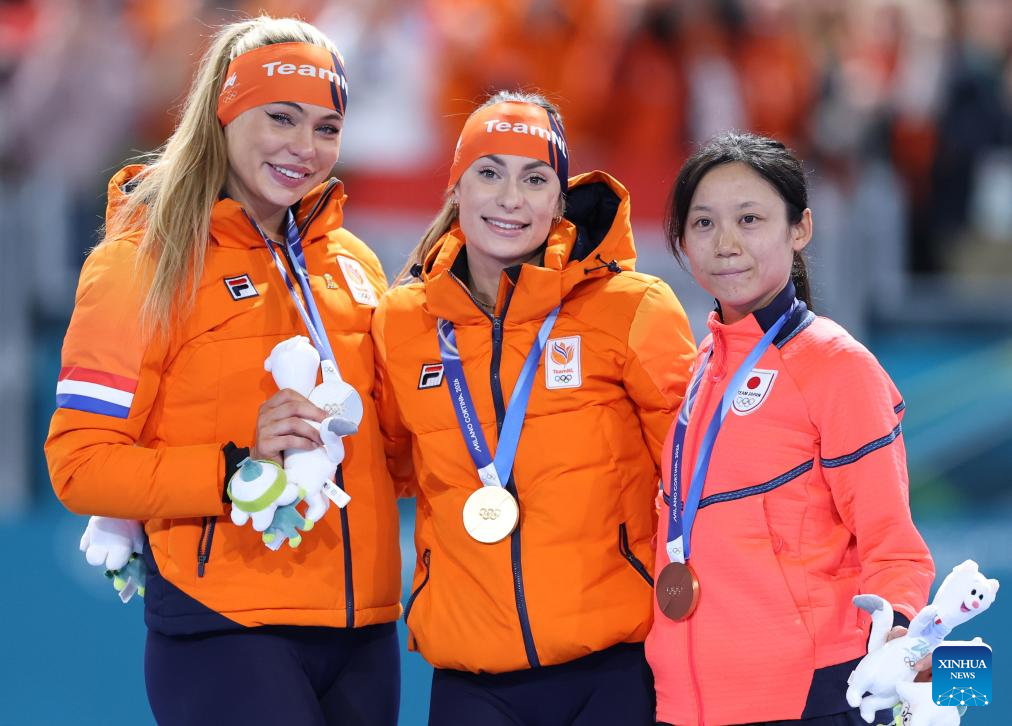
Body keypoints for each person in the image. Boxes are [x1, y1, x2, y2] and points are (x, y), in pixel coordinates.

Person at [44, 16, 401, 725]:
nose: (305, 148)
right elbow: (80, 465)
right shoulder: (142, 262)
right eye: (281, 118)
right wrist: (236, 466)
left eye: (327, 128)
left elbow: (393, 451)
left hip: (364, 629)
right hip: (227, 628)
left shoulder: (353, 265)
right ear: (224, 114)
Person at [373, 91, 697, 726]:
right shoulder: (402, 322)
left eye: (534, 179)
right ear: (456, 187)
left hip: (614, 669)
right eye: (489, 173)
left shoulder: (632, 307)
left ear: (559, 200)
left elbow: (694, 478)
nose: (510, 199)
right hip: (472, 677)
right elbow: (389, 463)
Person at [645, 131, 935, 726]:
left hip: (807, 699)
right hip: (685, 705)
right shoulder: (699, 370)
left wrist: (898, 631)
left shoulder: (836, 366)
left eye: (749, 219)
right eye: (703, 224)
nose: (726, 243)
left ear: (800, 229)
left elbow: (894, 546)